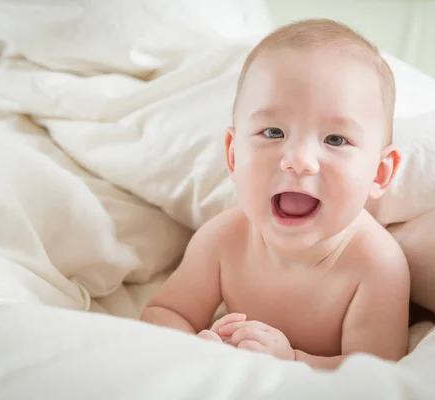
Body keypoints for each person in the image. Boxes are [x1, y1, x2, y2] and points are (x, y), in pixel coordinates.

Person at [140, 18, 410, 370]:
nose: (298, 160)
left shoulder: (376, 267)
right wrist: (193, 347)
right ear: (234, 155)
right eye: (273, 132)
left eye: (335, 139)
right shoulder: (223, 240)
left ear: (379, 172)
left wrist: (291, 360)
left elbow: (375, 373)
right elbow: (164, 311)